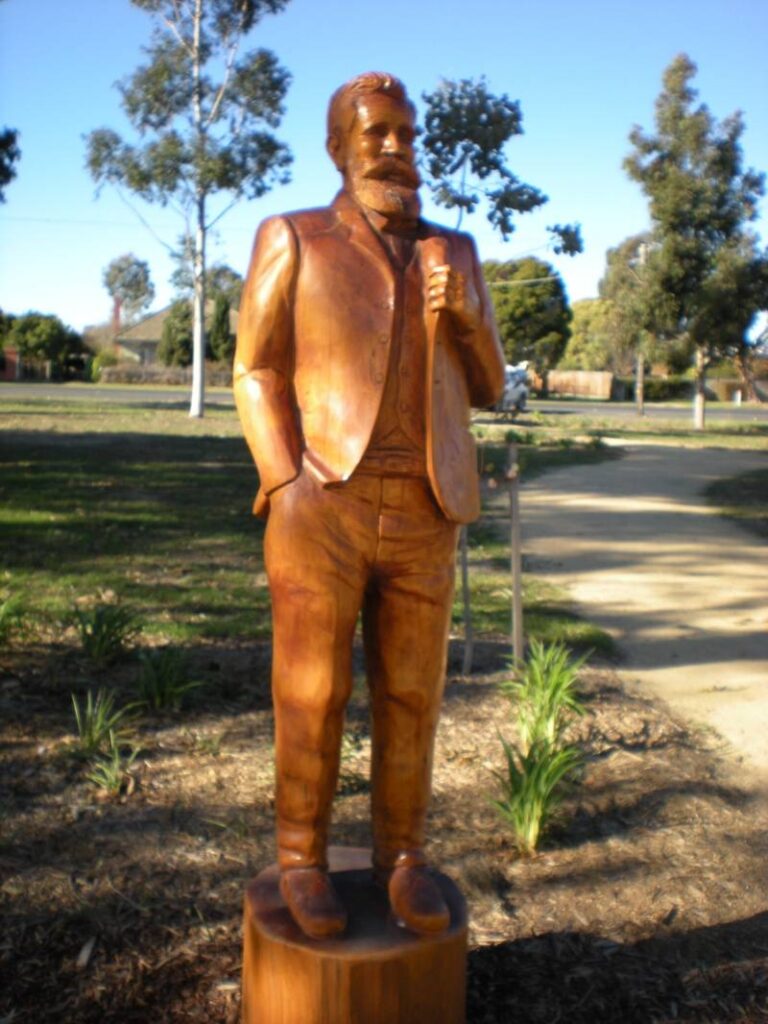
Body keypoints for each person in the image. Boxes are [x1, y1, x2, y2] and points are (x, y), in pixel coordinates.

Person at [234, 71, 505, 941]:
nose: (395, 148)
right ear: (338, 147)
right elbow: (255, 368)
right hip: (324, 503)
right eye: (377, 132)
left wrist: (467, 316)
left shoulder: (455, 252)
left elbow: (491, 386)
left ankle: (405, 859)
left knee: (414, 693)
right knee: (313, 691)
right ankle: (300, 860)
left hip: (428, 507)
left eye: (406, 134)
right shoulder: (294, 236)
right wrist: (284, 480)